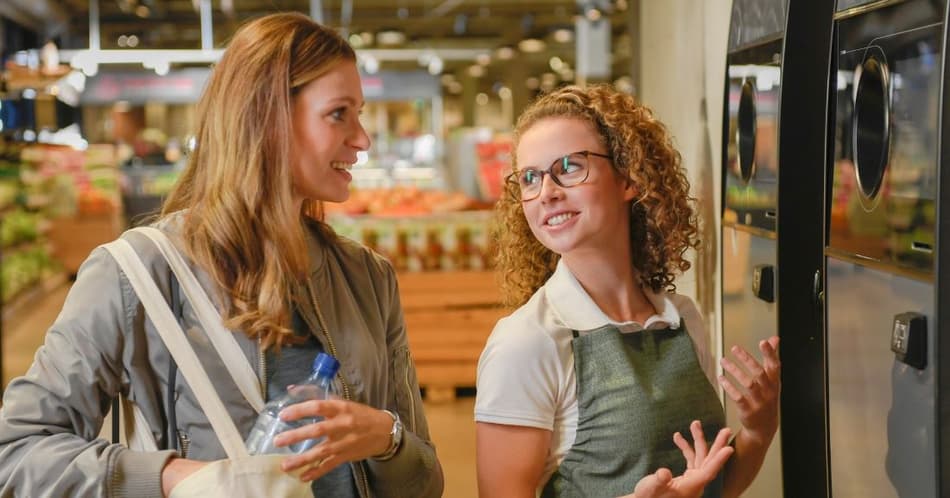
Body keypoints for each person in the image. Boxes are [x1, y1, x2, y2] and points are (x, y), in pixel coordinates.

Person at [0, 13, 443, 498]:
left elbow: (425, 480)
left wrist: (385, 438)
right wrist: (170, 477)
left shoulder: (368, 279)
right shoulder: (134, 276)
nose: (362, 139)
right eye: (340, 113)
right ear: (266, 116)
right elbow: (18, 451)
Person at [475, 84, 780, 498]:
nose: (546, 192)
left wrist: (759, 431)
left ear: (628, 178)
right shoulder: (527, 342)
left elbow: (715, 487)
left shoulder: (683, 319)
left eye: (568, 166)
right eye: (530, 178)